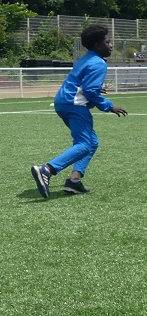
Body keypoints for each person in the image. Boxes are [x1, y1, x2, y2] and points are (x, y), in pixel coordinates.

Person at [31, 24, 128, 199]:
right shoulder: (98, 63)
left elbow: (83, 84)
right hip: (74, 105)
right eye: (107, 42)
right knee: (84, 145)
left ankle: (73, 182)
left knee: (92, 142)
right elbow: (90, 90)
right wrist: (108, 105)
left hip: (64, 102)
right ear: (98, 46)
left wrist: (96, 89)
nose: (111, 45)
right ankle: (47, 169)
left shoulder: (85, 59)